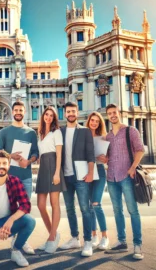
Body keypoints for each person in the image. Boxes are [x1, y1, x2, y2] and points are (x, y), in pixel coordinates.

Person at [0, 101, 39, 255]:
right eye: (16, 110)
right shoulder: (4, 132)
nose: (18, 112)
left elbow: (35, 153)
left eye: (21, 110)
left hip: (25, 177)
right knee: (9, 210)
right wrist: (9, 155)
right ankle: (8, 236)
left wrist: (29, 161)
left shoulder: (31, 133)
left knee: (25, 210)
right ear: (12, 112)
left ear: (24, 112)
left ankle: (21, 240)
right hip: (8, 179)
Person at [100, 104, 145, 260]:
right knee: (117, 211)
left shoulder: (130, 131)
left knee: (133, 211)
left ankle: (138, 244)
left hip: (127, 176)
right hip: (111, 177)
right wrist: (104, 159)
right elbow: (108, 157)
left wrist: (132, 168)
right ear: (107, 116)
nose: (112, 115)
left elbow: (140, 150)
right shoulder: (108, 137)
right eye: (110, 113)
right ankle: (121, 241)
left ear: (119, 113)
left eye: (114, 112)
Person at [59, 102, 95, 257]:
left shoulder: (85, 131)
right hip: (65, 176)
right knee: (69, 209)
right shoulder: (60, 131)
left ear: (77, 112)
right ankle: (75, 238)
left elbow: (90, 153)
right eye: (68, 111)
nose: (71, 113)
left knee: (85, 209)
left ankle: (87, 241)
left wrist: (91, 173)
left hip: (81, 175)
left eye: (73, 111)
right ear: (65, 114)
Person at [36, 106, 65, 253]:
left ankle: (52, 238)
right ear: (43, 116)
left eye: (51, 115)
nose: (48, 117)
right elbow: (41, 153)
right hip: (43, 169)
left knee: (54, 204)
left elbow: (59, 154)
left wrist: (56, 174)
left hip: (54, 166)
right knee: (40, 205)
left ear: (54, 118)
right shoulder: (40, 133)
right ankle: (52, 234)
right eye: (46, 114)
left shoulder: (57, 132)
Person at [85, 111, 109, 250]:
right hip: (87, 171)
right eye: (92, 120)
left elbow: (108, 158)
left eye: (97, 121)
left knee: (96, 204)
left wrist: (106, 159)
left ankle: (105, 236)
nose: (94, 123)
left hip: (99, 171)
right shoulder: (83, 136)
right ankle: (94, 235)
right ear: (88, 121)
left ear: (100, 123)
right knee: (89, 206)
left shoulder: (104, 138)